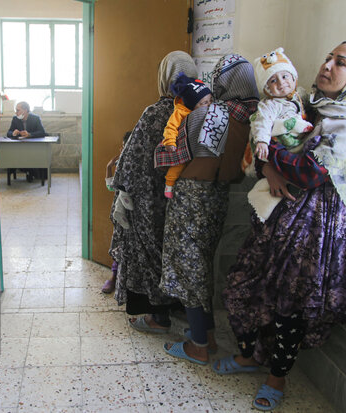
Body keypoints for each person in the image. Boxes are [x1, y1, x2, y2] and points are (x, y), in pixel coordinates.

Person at [215, 39, 346, 411]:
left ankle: (276, 379)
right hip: (279, 218)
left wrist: (271, 156)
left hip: (313, 230)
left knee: (290, 303)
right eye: (327, 57)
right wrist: (269, 163)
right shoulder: (310, 107)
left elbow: (309, 172)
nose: (328, 66)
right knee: (243, 282)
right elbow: (272, 147)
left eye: (341, 62)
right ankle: (248, 357)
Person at [157, 54, 259, 363]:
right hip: (218, 197)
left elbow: (169, 155)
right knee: (202, 263)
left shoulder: (210, 114)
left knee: (190, 269)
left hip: (191, 197)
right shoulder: (248, 118)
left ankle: (199, 345)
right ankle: (208, 334)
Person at [109, 51, 198, 333]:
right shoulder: (200, 111)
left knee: (149, 253)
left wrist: (123, 191)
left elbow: (132, 159)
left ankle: (157, 317)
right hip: (184, 198)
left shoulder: (156, 112)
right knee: (176, 254)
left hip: (150, 199)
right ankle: (179, 307)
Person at [246, 47, 313, 221]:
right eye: (273, 81)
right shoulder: (269, 104)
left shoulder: (299, 96)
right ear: (267, 89)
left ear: (293, 77)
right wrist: (261, 140)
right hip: (281, 142)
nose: (281, 83)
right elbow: (262, 121)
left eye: (285, 77)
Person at [158, 75, 213, 198]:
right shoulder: (180, 112)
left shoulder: (211, 110)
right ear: (191, 105)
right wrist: (170, 142)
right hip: (181, 144)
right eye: (204, 103)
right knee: (178, 164)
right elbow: (170, 127)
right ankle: (169, 184)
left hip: (197, 147)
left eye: (210, 100)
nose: (209, 105)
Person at [102, 131, 132, 294]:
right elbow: (110, 186)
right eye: (122, 146)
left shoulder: (137, 166)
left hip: (133, 215)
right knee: (118, 246)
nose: (123, 149)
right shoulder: (120, 164)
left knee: (129, 248)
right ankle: (113, 277)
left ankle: (126, 281)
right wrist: (108, 167)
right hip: (119, 216)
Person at [6, 101, 47, 182]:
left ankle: (31, 172)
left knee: (32, 157)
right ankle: (28, 171)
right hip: (20, 147)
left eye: (18, 110)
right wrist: (13, 133)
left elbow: (42, 132)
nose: (16, 112)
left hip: (34, 147)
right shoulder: (15, 119)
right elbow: (8, 133)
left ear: (25, 110)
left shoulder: (35, 118)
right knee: (16, 156)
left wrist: (29, 134)